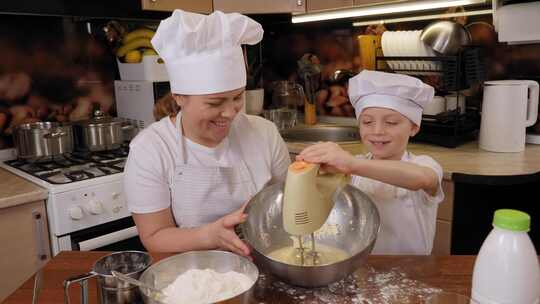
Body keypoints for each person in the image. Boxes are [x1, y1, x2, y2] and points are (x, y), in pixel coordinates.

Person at [124, 10, 291, 256]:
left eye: (237, 97)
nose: (231, 113)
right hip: (193, 275)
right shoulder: (151, 149)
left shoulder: (264, 133)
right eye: (215, 103)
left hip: (264, 260)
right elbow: (154, 237)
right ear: (180, 97)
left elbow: (289, 201)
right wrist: (210, 235)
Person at [297, 70, 444, 255]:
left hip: (412, 271)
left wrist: (351, 164)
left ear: (414, 127)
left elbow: (422, 179)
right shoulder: (351, 168)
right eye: (367, 122)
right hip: (362, 268)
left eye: (391, 122)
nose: (377, 131)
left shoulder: (424, 164)